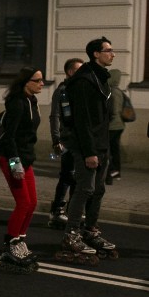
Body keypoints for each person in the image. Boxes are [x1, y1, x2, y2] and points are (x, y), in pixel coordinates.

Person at [59, 37, 117, 262]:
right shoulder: (83, 81)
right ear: (95, 54)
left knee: (99, 189)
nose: (112, 54)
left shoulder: (101, 78)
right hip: (86, 146)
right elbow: (82, 120)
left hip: (101, 144)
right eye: (108, 51)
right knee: (85, 189)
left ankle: (90, 230)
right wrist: (90, 152)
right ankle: (71, 234)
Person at [0, 67, 43, 273]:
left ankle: (20, 241)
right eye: (38, 80)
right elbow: (9, 138)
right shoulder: (17, 103)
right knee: (23, 203)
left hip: (26, 158)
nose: (42, 83)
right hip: (12, 160)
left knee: (32, 203)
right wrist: (15, 165)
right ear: (27, 82)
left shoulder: (31, 101)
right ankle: (11, 245)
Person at [48, 58, 83, 229]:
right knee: (67, 175)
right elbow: (55, 116)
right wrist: (56, 139)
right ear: (70, 72)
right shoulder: (62, 91)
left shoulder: (80, 90)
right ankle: (57, 211)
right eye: (79, 69)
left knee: (77, 176)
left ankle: (72, 210)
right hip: (67, 141)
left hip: (79, 141)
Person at [105, 68, 127, 184]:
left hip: (111, 126)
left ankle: (109, 174)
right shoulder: (119, 91)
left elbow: (112, 110)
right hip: (119, 125)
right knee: (115, 149)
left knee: (107, 150)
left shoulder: (111, 91)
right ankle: (116, 172)